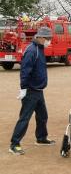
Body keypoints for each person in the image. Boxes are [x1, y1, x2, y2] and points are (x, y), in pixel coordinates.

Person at [9, 27, 55, 155]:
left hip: (38, 90)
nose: (49, 41)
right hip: (30, 90)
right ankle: (14, 144)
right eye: (48, 39)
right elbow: (25, 71)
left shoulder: (40, 49)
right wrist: (23, 88)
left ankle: (41, 138)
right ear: (40, 37)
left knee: (42, 115)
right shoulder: (31, 50)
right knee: (24, 118)